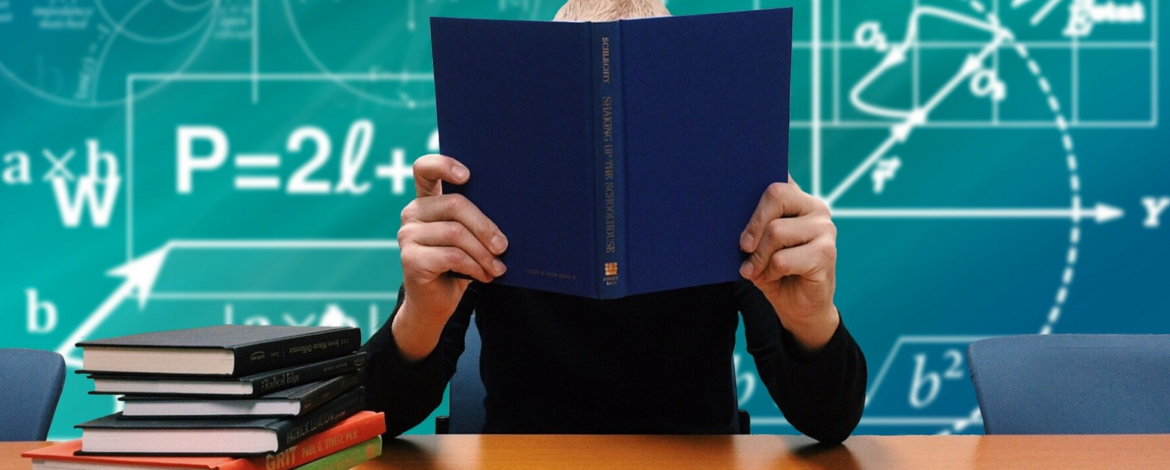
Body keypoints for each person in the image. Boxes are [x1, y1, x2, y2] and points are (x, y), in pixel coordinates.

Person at [362, 0, 867, 444]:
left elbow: (830, 420)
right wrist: (420, 317)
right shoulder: (485, 191)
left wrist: (811, 321)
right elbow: (379, 414)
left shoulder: (729, 192)